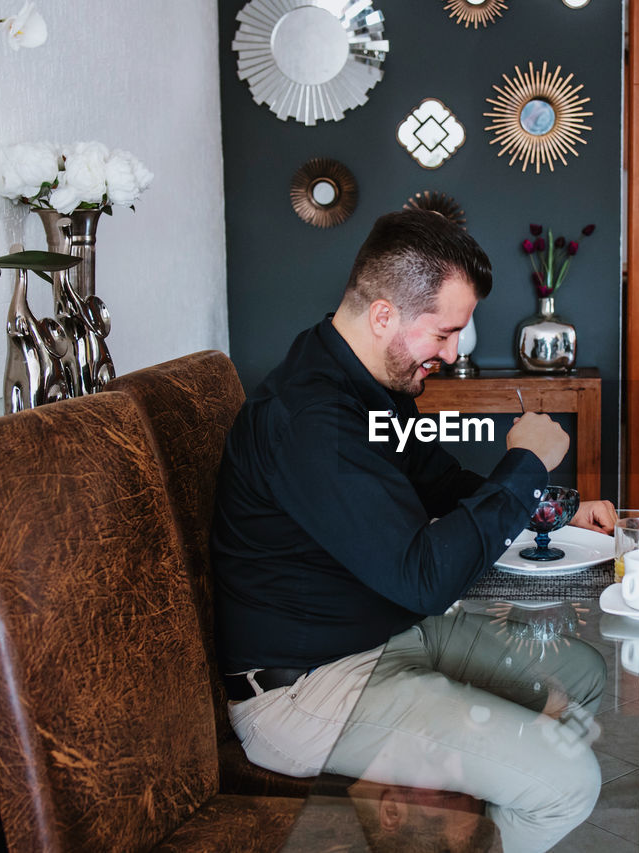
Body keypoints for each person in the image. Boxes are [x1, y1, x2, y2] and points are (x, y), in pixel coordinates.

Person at [211, 209, 615, 853]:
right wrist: (526, 462)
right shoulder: (312, 419)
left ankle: (471, 805)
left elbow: (445, 485)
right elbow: (424, 575)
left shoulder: (371, 383)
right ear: (383, 316)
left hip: (385, 631)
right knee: (570, 782)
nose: (454, 353)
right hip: (308, 689)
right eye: (446, 332)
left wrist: (553, 504)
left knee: (584, 673)